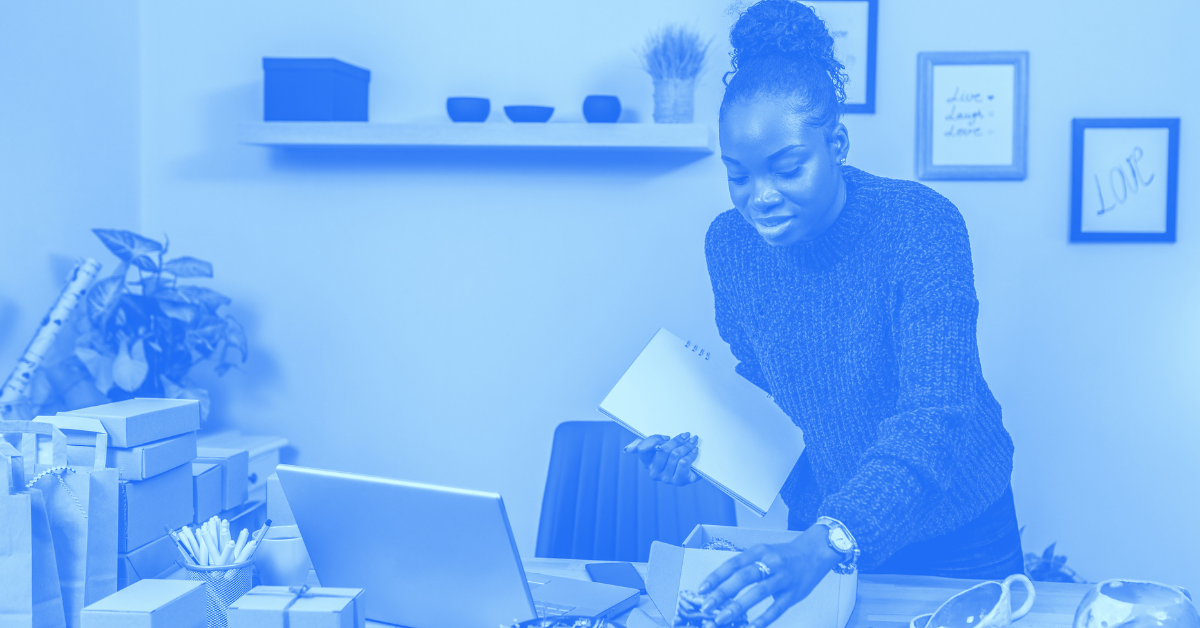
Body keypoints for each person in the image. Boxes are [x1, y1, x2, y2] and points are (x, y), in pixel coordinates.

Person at [624, 1, 1024, 626]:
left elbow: (935, 413)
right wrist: (703, 444)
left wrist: (827, 538)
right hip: (823, 530)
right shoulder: (729, 245)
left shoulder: (919, 225)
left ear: (835, 143)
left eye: (787, 169)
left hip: (957, 534)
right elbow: (768, 383)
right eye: (737, 176)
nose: (760, 200)